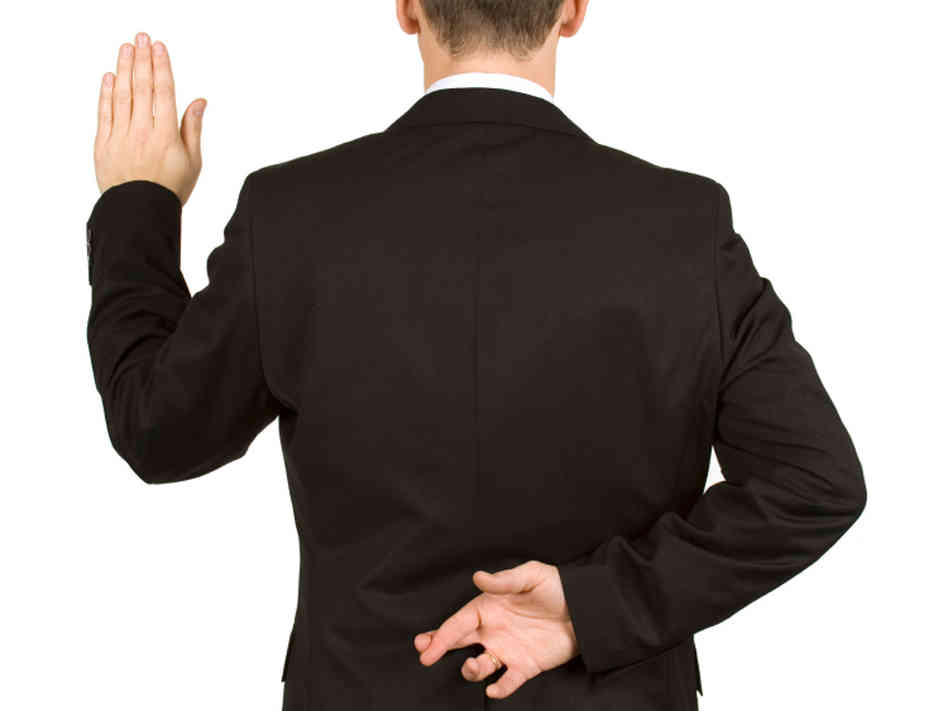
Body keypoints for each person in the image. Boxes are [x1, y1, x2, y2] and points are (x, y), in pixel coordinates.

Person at [85, 2, 867, 709]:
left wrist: (138, 204)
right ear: (573, 11)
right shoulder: (685, 228)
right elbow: (813, 482)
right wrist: (594, 606)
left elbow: (158, 429)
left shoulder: (289, 216)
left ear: (407, 9)